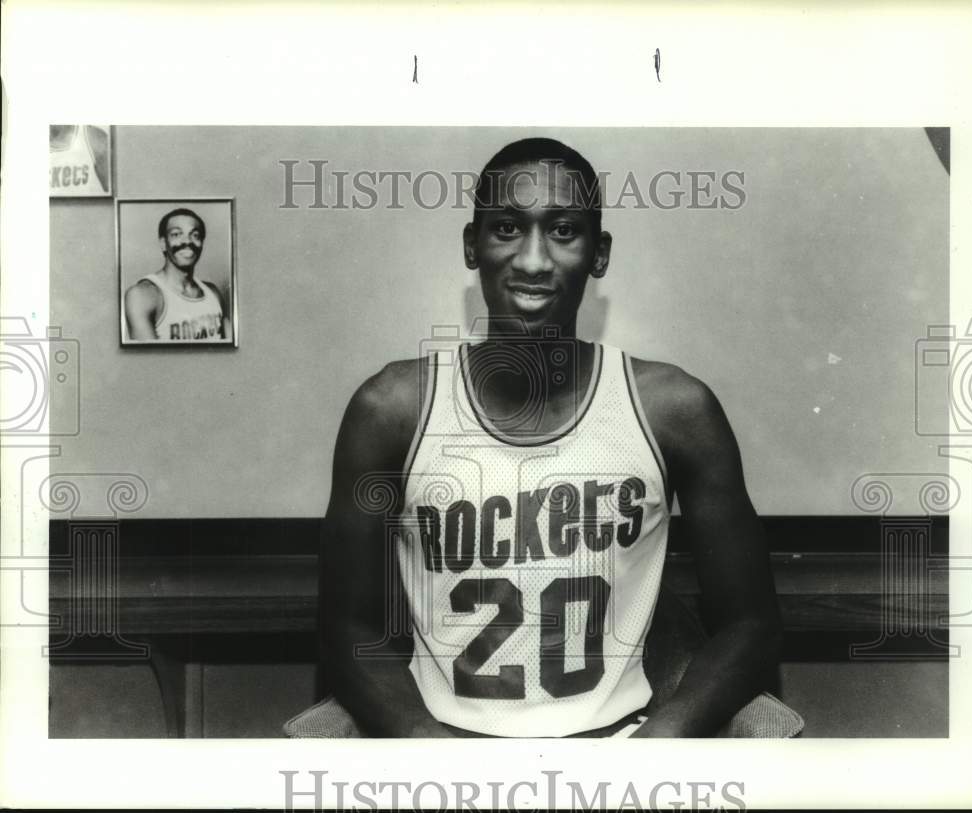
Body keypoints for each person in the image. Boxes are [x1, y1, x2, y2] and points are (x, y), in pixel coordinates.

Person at [320, 137, 781, 737]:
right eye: (507, 228)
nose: (534, 260)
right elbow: (346, 628)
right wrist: (423, 749)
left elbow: (749, 623)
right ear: (471, 245)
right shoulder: (391, 410)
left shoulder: (671, 409)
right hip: (447, 750)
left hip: (618, 747)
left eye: (564, 230)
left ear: (599, 253)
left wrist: (662, 743)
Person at [123, 208, 230, 342]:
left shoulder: (213, 293)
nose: (187, 241)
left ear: (202, 243)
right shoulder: (142, 295)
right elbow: (149, 361)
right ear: (163, 244)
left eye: (195, 235)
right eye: (176, 234)